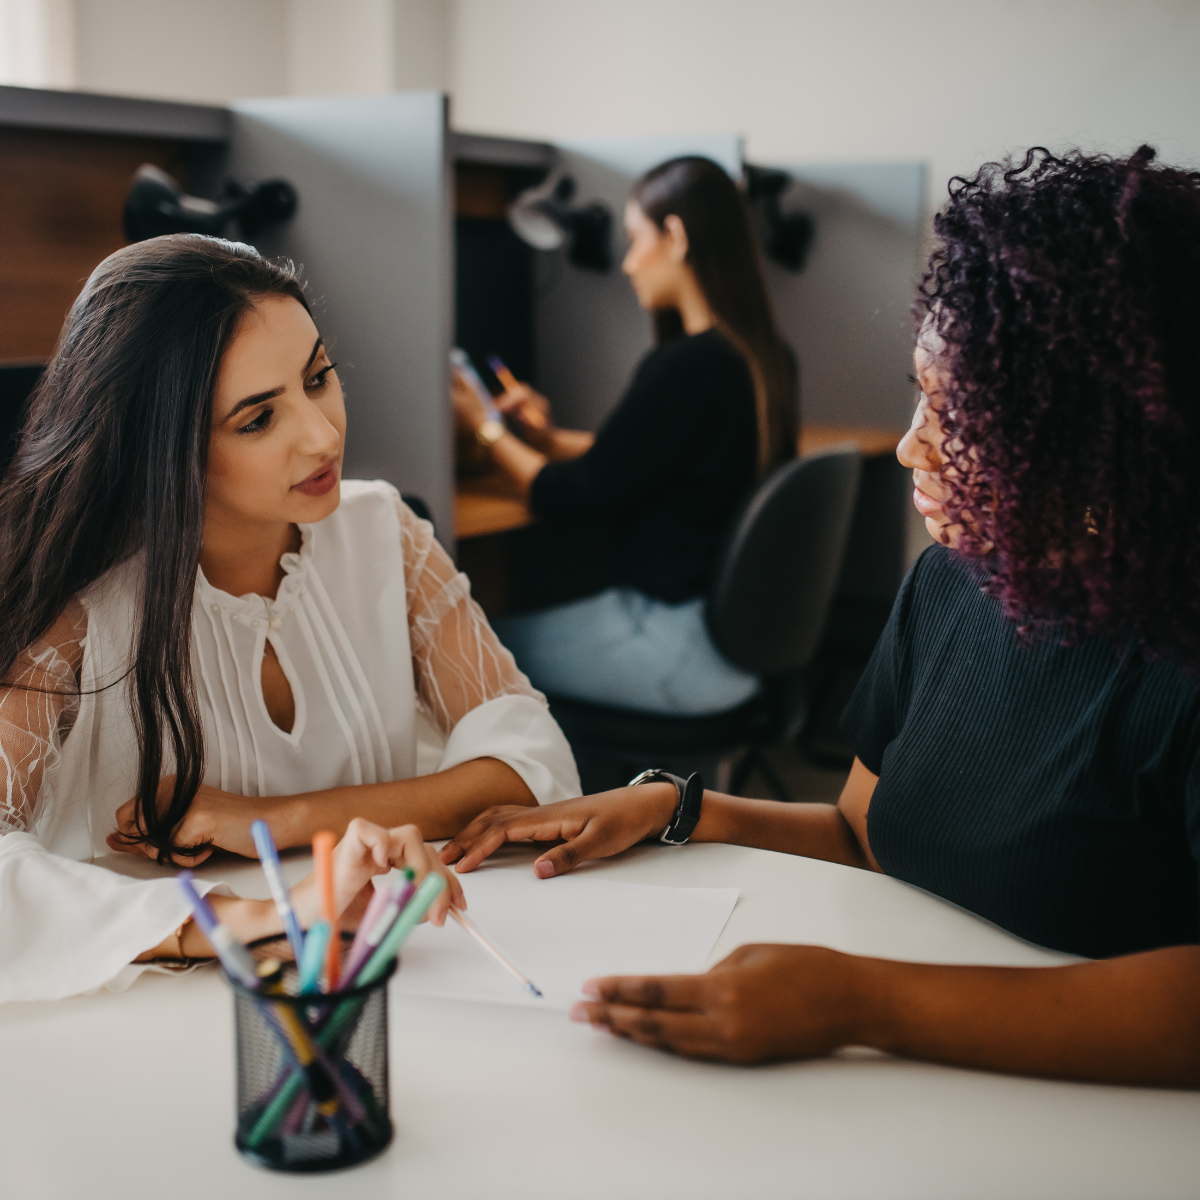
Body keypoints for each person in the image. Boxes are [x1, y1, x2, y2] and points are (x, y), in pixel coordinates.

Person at [441, 146, 1200, 1088]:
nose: (909, 446)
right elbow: (861, 835)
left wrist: (862, 1002)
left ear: (1095, 434)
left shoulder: (1178, 655)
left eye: (958, 412)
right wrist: (677, 807)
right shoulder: (949, 587)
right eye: (920, 396)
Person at [0, 234, 578, 1002]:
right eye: (257, 419)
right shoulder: (81, 608)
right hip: (158, 1015)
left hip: (389, 978)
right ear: (160, 449)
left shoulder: (387, 532)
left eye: (318, 378)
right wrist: (257, 918)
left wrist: (280, 819)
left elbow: (534, 766)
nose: (321, 433)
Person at [451, 156, 797, 716]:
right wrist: (544, 438)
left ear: (676, 236)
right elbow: (644, 457)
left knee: (464, 650)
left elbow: (565, 497)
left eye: (637, 240)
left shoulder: (686, 366)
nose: (631, 264)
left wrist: (482, 426)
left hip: (671, 648)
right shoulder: (763, 359)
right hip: (735, 647)